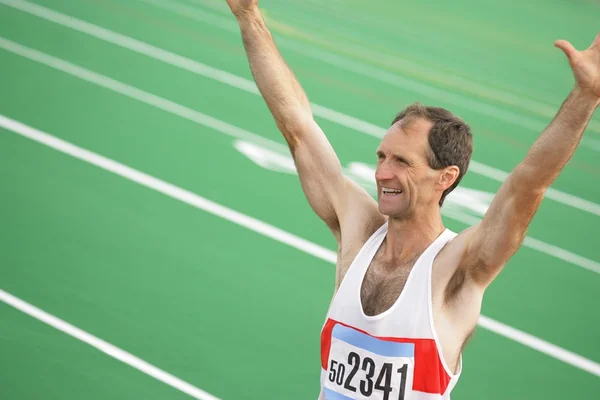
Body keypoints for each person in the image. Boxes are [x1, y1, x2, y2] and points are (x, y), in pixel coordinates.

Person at [224, 1, 600, 398]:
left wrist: (586, 97)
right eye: (382, 156)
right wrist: (248, 15)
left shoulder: (457, 268)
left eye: (402, 161)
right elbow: (297, 125)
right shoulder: (359, 231)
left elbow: (527, 185)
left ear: (446, 177)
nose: (382, 173)